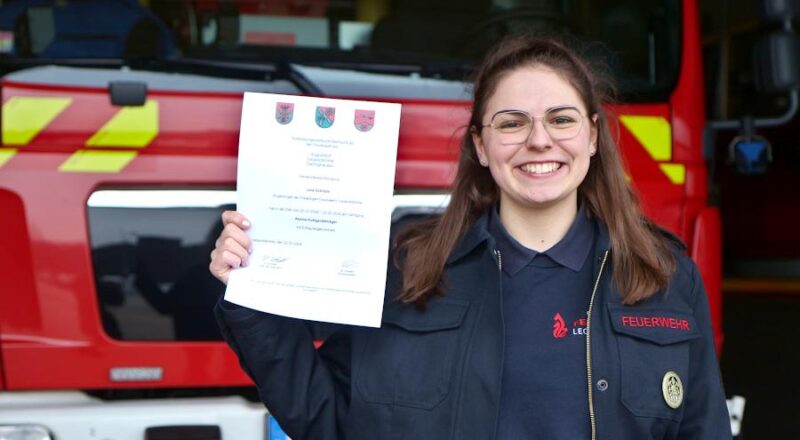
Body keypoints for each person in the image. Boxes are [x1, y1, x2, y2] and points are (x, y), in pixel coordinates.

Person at [209, 36, 732, 440]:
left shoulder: (664, 277)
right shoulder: (409, 274)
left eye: (561, 119)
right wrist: (255, 290)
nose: (539, 139)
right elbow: (327, 420)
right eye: (511, 123)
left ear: (593, 136)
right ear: (480, 146)